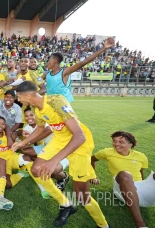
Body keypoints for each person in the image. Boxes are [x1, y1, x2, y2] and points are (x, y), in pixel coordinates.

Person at [11, 81, 110, 228]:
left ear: (29, 95)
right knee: (36, 169)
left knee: (82, 195)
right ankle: (66, 204)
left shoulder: (56, 101)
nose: (18, 100)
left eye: (19, 97)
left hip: (79, 144)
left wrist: (53, 161)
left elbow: (79, 136)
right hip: (60, 140)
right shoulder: (36, 109)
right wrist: (23, 142)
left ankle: (103, 225)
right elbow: (39, 128)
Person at [91, 131, 154, 228]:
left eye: (121, 142)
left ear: (130, 144)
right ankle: (140, 225)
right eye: (114, 141)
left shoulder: (141, 156)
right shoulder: (107, 152)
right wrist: (93, 176)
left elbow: (141, 173)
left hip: (140, 189)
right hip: (121, 189)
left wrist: (144, 186)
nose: (116, 144)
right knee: (125, 174)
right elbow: (91, 160)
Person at [43, 38, 115, 102]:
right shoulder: (46, 74)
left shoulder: (64, 72)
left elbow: (85, 61)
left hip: (63, 106)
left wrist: (104, 48)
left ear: (54, 61)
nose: (47, 62)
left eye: (49, 60)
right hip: (51, 104)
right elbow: (37, 80)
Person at [19, 107, 70, 199]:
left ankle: (63, 177)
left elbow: (47, 131)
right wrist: (24, 140)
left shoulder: (45, 122)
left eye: (31, 115)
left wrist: (29, 141)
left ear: (37, 116)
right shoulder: (27, 128)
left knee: (52, 170)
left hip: (62, 150)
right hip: (47, 148)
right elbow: (25, 145)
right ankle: (42, 164)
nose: (29, 118)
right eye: (26, 116)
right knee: (25, 152)